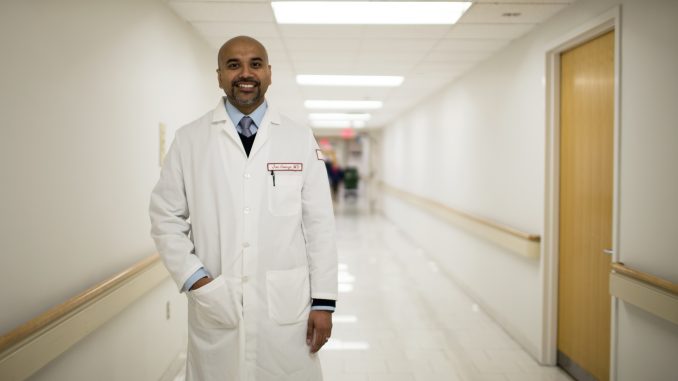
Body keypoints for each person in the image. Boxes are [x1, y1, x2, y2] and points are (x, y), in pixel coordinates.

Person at [149, 36, 338, 381]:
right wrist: (198, 281)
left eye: (255, 63)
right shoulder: (190, 140)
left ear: (268, 73)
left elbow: (319, 225)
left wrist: (323, 303)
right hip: (216, 303)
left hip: (286, 307)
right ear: (219, 75)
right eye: (233, 65)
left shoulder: (297, 138)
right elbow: (165, 219)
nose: (245, 73)